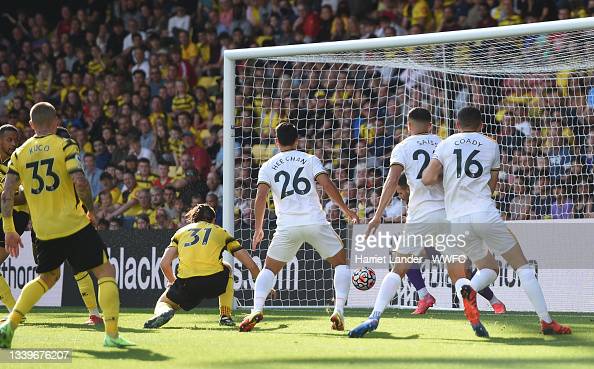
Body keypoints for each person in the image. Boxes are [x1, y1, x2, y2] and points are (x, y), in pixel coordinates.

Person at [422, 106, 571, 335]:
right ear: (481, 125)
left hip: (457, 220)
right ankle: (546, 321)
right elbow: (491, 187)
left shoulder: (445, 144)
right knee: (522, 267)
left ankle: (469, 290)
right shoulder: (491, 145)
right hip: (484, 214)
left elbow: (428, 178)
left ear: (457, 125)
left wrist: (450, 177)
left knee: (489, 268)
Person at [0, 102, 134, 348]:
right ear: (56, 122)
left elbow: (7, 194)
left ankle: (10, 324)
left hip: (42, 230)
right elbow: (80, 181)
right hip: (73, 224)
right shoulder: (64, 144)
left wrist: (9, 229)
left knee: (47, 277)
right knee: (105, 271)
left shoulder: (19, 153)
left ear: (31, 125)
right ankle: (112, 335)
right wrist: (91, 210)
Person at [349, 108, 488, 338]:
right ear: (431, 125)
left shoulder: (403, 147)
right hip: (446, 214)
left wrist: (376, 216)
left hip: (419, 216)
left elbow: (392, 181)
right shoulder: (444, 143)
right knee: (458, 273)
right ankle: (473, 317)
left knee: (398, 269)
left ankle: (374, 316)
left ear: (408, 126)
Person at [239, 122, 359, 332]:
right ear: (297, 140)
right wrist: (346, 210)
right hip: (315, 221)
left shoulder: (268, 165)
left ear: (276, 142)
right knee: (341, 264)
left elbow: (260, 198)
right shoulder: (309, 159)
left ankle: (256, 309)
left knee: (269, 269)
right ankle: (339, 309)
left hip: (286, 226)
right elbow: (327, 184)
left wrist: (259, 228)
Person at [144, 204, 264, 328]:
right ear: (213, 220)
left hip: (186, 284)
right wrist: (264, 285)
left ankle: (164, 311)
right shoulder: (220, 232)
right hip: (213, 282)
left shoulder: (181, 232)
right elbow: (250, 264)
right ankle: (225, 316)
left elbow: (164, 263)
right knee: (227, 267)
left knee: (163, 302)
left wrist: (173, 282)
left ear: (193, 219)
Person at [0, 124, 30, 314]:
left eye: (15, 140)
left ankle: (14, 311)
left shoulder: (18, 164)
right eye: (9, 139)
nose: (13, 143)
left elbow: (26, 196)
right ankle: (14, 310)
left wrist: (7, 197)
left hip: (16, 216)